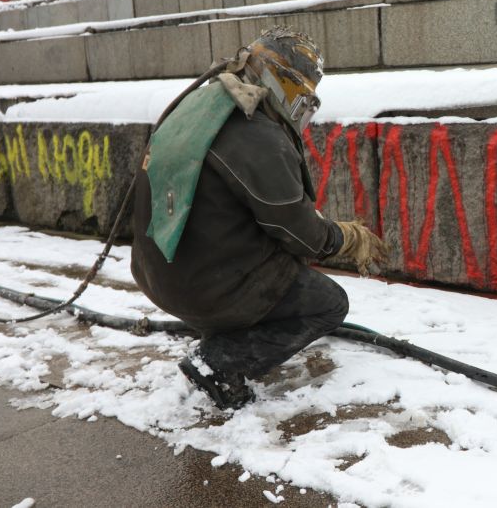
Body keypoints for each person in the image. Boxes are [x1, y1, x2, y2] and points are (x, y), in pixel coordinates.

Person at [130, 26, 388, 410]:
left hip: (158, 275)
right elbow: (297, 233)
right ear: (278, 80)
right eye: (300, 96)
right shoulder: (255, 133)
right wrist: (345, 237)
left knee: (275, 268)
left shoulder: (200, 107)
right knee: (328, 303)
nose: (301, 109)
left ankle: (221, 331)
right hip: (204, 288)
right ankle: (218, 363)